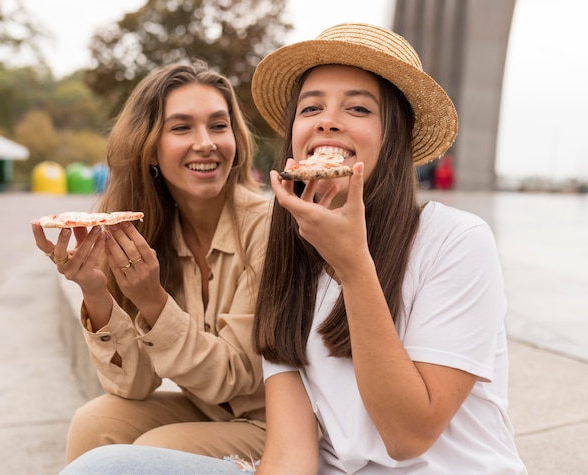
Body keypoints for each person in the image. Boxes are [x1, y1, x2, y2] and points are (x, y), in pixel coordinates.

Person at [58, 22, 528, 474]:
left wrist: (354, 267)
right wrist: (97, 291)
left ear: (395, 136)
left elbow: (406, 437)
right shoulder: (295, 253)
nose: (328, 121)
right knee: (103, 453)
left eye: (358, 109)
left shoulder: (455, 240)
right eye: (310, 108)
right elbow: (293, 457)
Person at [32, 60, 269, 466]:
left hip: (281, 424)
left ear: (236, 137)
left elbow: (236, 375)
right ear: (150, 148)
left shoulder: (268, 228)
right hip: (212, 410)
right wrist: (96, 293)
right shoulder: (148, 229)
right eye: (181, 128)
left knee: (146, 458)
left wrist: (153, 301)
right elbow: (134, 385)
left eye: (218, 125)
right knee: (94, 422)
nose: (206, 142)